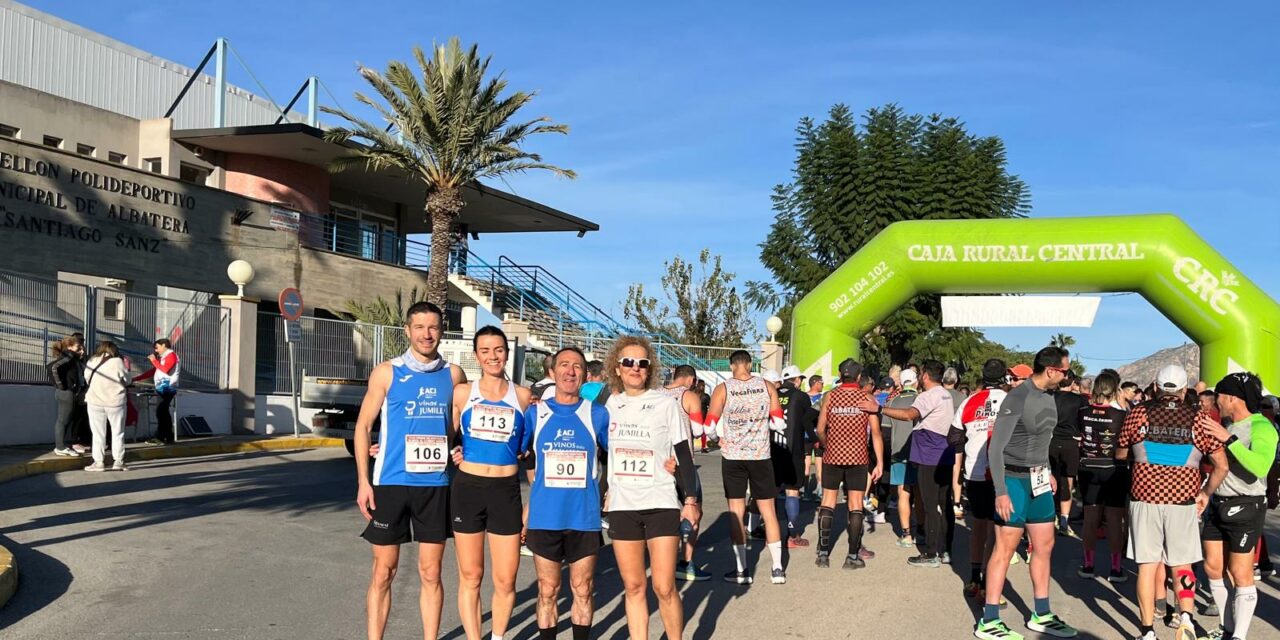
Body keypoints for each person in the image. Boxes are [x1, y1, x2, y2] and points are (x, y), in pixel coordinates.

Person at [352, 301, 468, 640]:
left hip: (436, 485)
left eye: (433, 327)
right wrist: (363, 481)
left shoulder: (454, 375)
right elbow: (362, 428)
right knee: (383, 571)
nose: (426, 334)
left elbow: (460, 428)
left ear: (441, 331)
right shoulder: (387, 372)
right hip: (390, 483)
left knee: (431, 572)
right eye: (420, 327)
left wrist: (460, 446)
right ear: (407, 331)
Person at [1117, 364, 1228, 640]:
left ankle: (1147, 632)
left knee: (1147, 566)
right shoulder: (1198, 418)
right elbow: (1221, 465)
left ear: (1155, 387)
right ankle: (1187, 618)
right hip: (1183, 501)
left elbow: (1120, 453)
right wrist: (1205, 493)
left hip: (1145, 498)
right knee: (1182, 564)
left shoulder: (1138, 413)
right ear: (1183, 390)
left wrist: (1139, 456)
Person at [977, 346, 1078, 640]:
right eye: (1064, 371)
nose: (1067, 376)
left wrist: (1045, 469)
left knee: (1044, 546)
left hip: (1038, 481)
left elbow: (1042, 439)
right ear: (1051, 370)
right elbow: (995, 447)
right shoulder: (1017, 397)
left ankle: (1042, 613)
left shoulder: (1049, 397)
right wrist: (1001, 492)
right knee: (1004, 550)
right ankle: (990, 619)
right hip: (1013, 481)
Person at [604, 337, 701, 640]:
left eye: (642, 363)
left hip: (660, 500)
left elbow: (683, 454)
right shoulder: (607, 404)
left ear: (650, 369)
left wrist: (691, 499)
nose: (635, 368)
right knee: (633, 586)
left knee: (664, 586)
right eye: (628, 362)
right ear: (616, 368)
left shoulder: (666, 403)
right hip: (622, 504)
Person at [523, 347, 610, 640]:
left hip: (583, 517)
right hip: (545, 517)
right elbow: (517, 454)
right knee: (547, 590)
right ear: (552, 372)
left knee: (583, 589)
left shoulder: (597, 413)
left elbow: (618, 455)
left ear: (585, 375)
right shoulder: (535, 413)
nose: (570, 371)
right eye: (564, 365)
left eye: (576, 366)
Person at [450, 326, 530, 640]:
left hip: (505, 491)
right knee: (471, 575)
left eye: (498, 350)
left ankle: (497, 636)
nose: (492, 356)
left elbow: (526, 447)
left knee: (506, 579)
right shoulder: (462, 393)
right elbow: (446, 435)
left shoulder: (522, 397)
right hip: (468, 489)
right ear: (476, 355)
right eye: (485, 350)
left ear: (507, 354)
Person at [1199, 372, 1276, 640]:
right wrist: (1204, 492)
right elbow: (1221, 467)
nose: (1215, 400)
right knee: (1212, 567)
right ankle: (1227, 627)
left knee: (1240, 572)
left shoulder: (1262, 426)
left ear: (1232, 397)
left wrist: (1227, 439)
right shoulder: (1228, 425)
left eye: (1218, 395)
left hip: (1247, 505)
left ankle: (1239, 637)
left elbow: (1260, 466)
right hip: (1217, 504)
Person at [860, 359, 956, 567]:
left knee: (930, 506)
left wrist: (879, 409)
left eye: (921, 374)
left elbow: (908, 415)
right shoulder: (945, 395)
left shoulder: (927, 396)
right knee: (944, 503)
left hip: (929, 457)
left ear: (925, 376)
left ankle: (931, 554)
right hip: (944, 454)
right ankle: (946, 550)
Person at [706, 349, 788, 584]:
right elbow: (778, 422)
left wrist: (717, 439)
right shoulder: (767, 386)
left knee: (736, 511)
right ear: (750, 365)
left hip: (733, 456)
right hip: (761, 456)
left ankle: (742, 570)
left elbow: (708, 426)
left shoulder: (723, 389)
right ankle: (777, 568)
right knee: (769, 512)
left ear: (732, 366)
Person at [949, 359, 1008, 599]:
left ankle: (974, 578)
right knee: (998, 530)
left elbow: (953, 438)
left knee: (979, 526)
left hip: (974, 472)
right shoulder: (1011, 401)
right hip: (1002, 474)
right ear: (1004, 378)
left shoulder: (969, 400)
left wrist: (973, 441)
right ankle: (987, 581)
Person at [816, 359, 883, 569]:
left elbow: (820, 429)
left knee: (828, 501)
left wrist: (828, 446)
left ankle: (823, 553)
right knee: (855, 504)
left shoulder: (830, 396)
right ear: (859, 376)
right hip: (858, 457)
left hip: (832, 455)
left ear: (839, 374)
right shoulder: (866, 397)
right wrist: (879, 462)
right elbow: (876, 434)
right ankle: (852, 556)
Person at [1075, 369, 1130, 582]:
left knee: (1091, 518)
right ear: (1115, 390)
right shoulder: (1122, 415)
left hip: (1088, 467)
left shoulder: (1082, 411)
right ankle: (1115, 569)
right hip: (1114, 468)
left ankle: (1088, 565)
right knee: (1114, 520)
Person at [661, 365, 712, 582]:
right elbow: (699, 430)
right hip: (683, 462)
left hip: (661, 461)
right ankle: (685, 562)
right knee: (694, 510)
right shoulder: (689, 396)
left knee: (662, 513)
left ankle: (662, 560)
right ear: (690, 379)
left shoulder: (656, 394)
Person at [774, 364, 818, 548]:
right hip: (794, 450)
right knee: (793, 491)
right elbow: (808, 421)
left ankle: (764, 529)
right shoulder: (801, 396)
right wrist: (816, 438)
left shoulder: (773, 394)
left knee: (771, 491)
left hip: (772, 449)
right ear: (797, 380)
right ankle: (792, 535)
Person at [882, 370, 919, 547]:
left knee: (903, 493)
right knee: (919, 493)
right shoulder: (922, 400)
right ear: (916, 381)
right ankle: (922, 530)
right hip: (920, 454)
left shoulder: (892, 401)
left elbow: (886, 433)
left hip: (898, 454)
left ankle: (906, 535)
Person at [83, 341, 131, 472]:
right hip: (115, 402)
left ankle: (98, 463)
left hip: (95, 401)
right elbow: (128, 380)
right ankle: (118, 462)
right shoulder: (118, 362)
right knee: (118, 432)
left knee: (98, 433)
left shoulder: (92, 361)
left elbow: (87, 378)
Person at [1050, 370, 1088, 537]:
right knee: (1068, 482)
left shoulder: (1049, 397)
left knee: (1049, 482)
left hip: (1050, 441)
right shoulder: (1080, 400)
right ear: (1073, 382)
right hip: (1071, 443)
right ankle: (1064, 520)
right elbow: (1084, 422)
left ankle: (1050, 517)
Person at [132, 338, 180, 445]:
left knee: (161, 412)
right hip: (162, 388)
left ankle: (161, 437)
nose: (156, 350)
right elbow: (154, 371)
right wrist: (136, 378)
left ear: (164, 345)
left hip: (167, 388)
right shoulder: (163, 358)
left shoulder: (171, 355)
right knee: (163, 412)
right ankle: (168, 436)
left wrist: (154, 360)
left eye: (157, 347)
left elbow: (165, 369)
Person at [48, 334, 86, 456]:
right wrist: (61, 385)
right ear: (69, 347)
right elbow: (52, 367)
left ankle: (62, 446)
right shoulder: (68, 356)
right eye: (78, 347)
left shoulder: (72, 358)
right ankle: (60, 447)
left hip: (70, 392)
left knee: (66, 420)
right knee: (62, 421)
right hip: (66, 392)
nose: (81, 350)